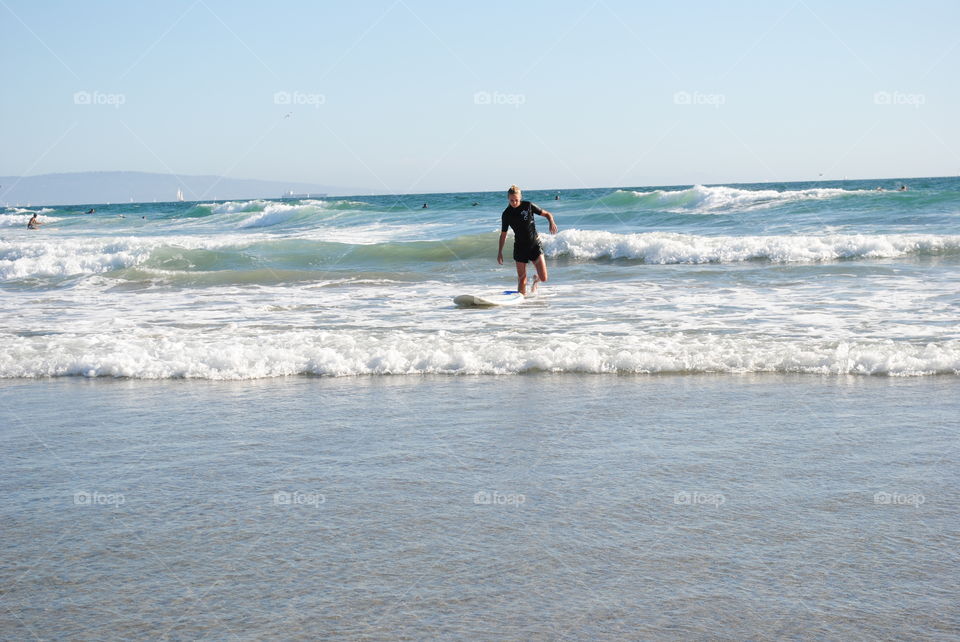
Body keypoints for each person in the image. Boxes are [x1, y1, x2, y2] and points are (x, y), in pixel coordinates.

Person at [498, 184, 558, 295]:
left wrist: (551, 222)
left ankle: (536, 281)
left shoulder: (528, 206)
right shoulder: (506, 214)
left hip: (534, 245)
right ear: (508, 199)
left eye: (516, 200)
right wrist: (500, 252)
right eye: (511, 200)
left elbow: (547, 214)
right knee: (522, 278)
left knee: (543, 278)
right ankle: (522, 303)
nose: (514, 203)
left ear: (520, 198)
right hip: (520, 247)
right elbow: (503, 234)